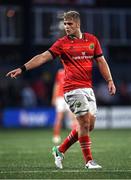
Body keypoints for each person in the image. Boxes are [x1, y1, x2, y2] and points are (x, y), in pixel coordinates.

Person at [6, 10, 116, 169]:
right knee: (84, 123)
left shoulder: (92, 40)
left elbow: (101, 62)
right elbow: (43, 57)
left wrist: (110, 80)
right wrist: (23, 68)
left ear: (78, 24)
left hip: (88, 89)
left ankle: (60, 150)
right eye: (64, 24)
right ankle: (89, 161)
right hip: (72, 89)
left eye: (69, 24)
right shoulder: (62, 43)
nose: (66, 27)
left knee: (88, 126)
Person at [52, 68, 77, 144]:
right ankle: (56, 136)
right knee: (60, 117)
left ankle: (75, 137)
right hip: (61, 97)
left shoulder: (73, 71)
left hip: (69, 96)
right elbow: (57, 85)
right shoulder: (60, 72)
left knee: (73, 117)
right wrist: (54, 97)